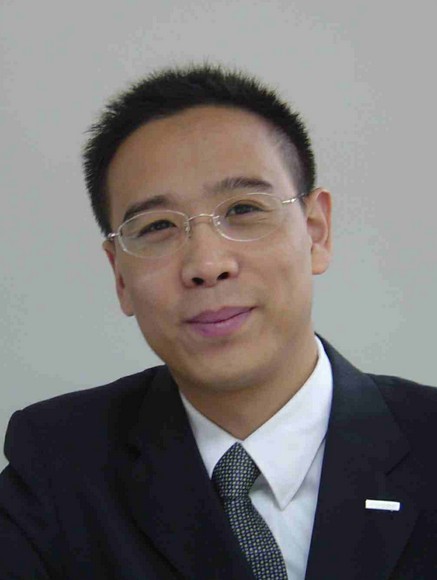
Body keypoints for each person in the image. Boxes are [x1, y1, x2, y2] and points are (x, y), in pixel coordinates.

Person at [1, 64, 437, 580]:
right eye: (157, 226)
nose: (207, 264)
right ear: (119, 275)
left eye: (244, 209)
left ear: (316, 231)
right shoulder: (57, 468)